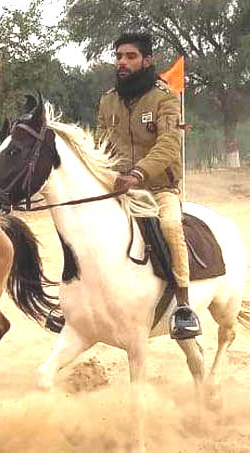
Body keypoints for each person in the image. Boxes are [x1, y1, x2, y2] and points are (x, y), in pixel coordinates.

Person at [95, 32, 201, 340]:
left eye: (130, 57)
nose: (122, 62)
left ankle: (183, 306)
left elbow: (169, 144)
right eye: (118, 57)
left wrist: (138, 174)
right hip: (119, 188)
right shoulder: (107, 100)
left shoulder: (165, 98)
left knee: (170, 227)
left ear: (147, 60)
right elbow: (101, 143)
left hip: (157, 189)